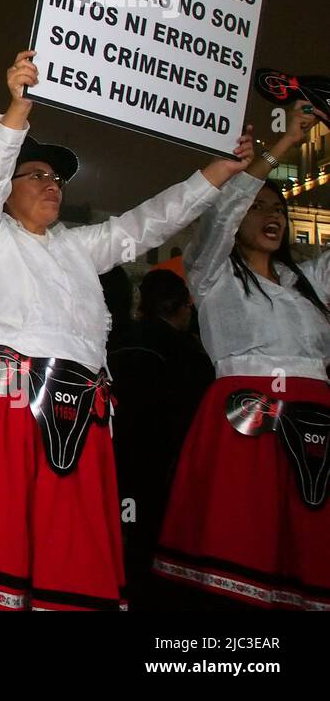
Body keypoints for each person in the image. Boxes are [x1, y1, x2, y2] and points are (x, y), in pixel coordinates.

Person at [0, 49, 252, 611]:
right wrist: (18, 107)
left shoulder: (82, 248)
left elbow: (148, 222)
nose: (51, 184)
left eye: (56, 178)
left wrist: (218, 174)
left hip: (81, 411)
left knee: (62, 562)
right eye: (35, 175)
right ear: (8, 191)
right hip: (2, 404)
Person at [154, 104, 329, 609]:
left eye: (278, 210)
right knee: (244, 543)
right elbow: (224, 207)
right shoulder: (211, 274)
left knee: (304, 547)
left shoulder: (310, 284)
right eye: (257, 207)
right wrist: (281, 147)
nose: (270, 216)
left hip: (316, 423)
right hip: (247, 420)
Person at [108, 268, 211, 607]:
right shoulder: (191, 354)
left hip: (114, 462)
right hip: (164, 470)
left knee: (121, 542)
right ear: (182, 308)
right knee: (152, 552)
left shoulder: (116, 342)